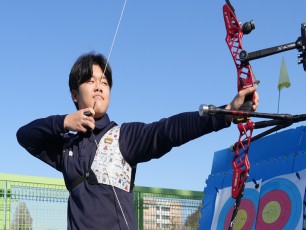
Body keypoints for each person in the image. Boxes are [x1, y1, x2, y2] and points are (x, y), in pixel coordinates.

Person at [16, 52, 259, 230]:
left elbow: (167, 130)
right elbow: (25, 136)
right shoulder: (66, 148)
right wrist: (63, 122)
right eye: (90, 81)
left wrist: (225, 112)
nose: (99, 87)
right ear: (74, 94)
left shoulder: (123, 136)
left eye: (104, 82)